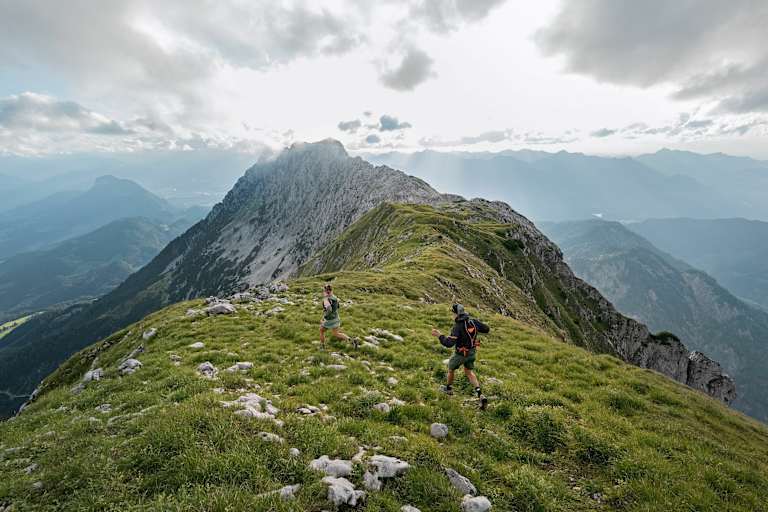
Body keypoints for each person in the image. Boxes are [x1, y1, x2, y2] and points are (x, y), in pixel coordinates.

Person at [431, 303, 490, 409]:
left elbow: (449, 343)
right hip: (472, 352)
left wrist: (439, 335)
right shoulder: (472, 321)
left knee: (451, 369)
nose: (452, 315)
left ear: (456, 314)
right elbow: (486, 329)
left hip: (460, 354)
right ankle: (480, 394)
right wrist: (476, 326)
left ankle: (448, 389)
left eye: (452, 313)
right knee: (469, 372)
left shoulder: (457, 327)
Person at [319, 284, 358, 349]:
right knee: (336, 333)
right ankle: (352, 340)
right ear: (331, 290)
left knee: (321, 331)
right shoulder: (334, 297)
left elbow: (329, 309)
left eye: (324, 290)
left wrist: (324, 317)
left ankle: (322, 346)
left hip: (329, 319)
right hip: (336, 317)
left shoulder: (326, 299)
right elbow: (337, 307)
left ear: (325, 291)